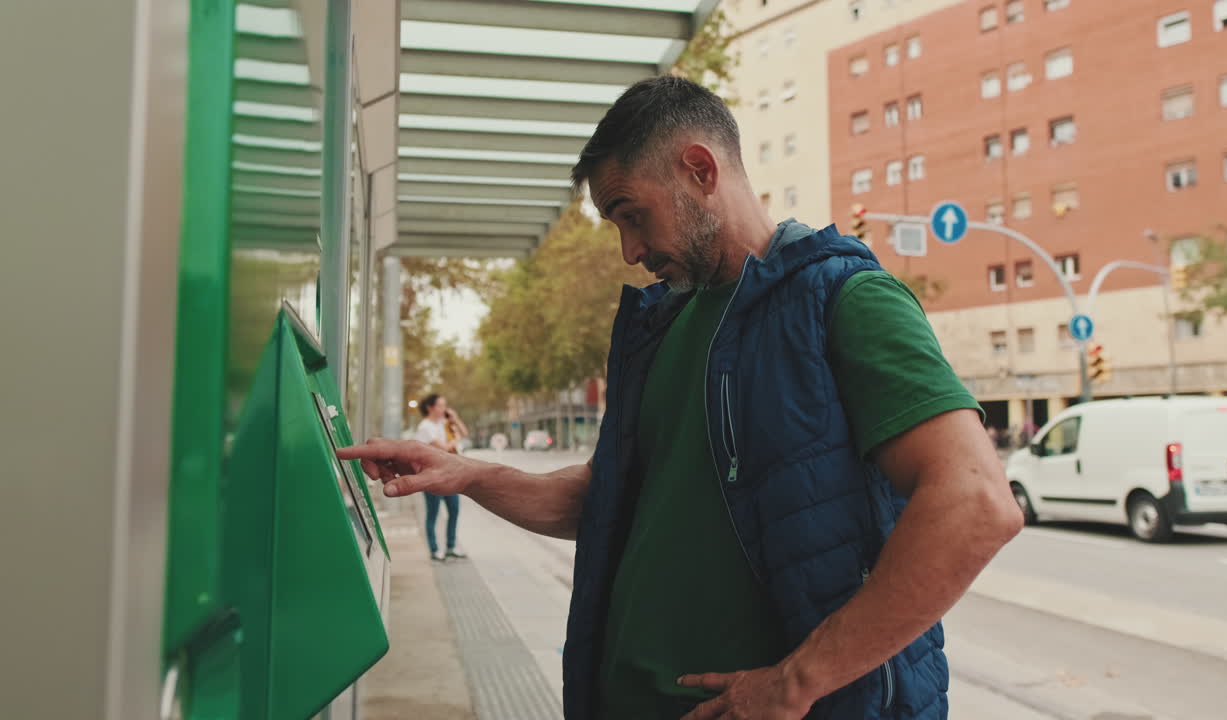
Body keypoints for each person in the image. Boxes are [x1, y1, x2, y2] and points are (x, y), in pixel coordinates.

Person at [341, 77, 1022, 720]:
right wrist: (469, 476)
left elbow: (976, 504)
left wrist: (797, 681)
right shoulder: (664, 326)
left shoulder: (843, 298)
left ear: (700, 169)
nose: (629, 250)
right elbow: (615, 501)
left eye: (631, 215)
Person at [413, 393, 468, 561]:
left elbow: (465, 432)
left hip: (449, 474)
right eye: (440, 406)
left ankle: (451, 546)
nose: (444, 409)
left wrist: (455, 419)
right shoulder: (425, 427)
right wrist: (456, 439)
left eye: (445, 405)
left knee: (454, 510)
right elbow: (443, 447)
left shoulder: (445, 423)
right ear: (430, 407)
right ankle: (434, 550)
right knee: (433, 513)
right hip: (431, 475)